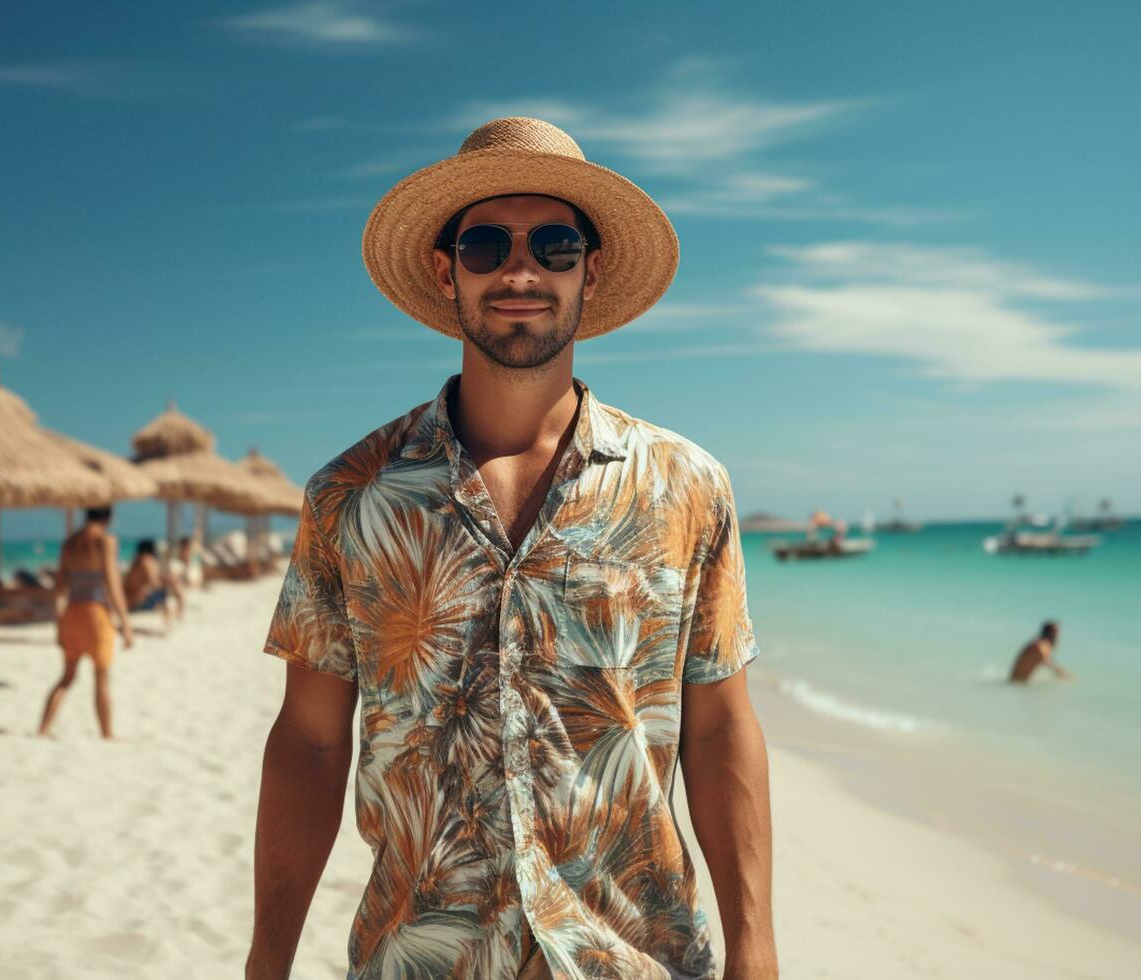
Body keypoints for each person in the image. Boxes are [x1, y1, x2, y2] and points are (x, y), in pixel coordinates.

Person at [248, 118, 777, 979]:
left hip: (634, 956)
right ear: (444, 268)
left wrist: (755, 945)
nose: (519, 271)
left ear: (590, 270)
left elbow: (718, 727)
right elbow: (308, 741)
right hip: (421, 958)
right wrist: (266, 959)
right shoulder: (350, 494)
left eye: (555, 243)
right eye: (487, 243)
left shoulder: (685, 485)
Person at [38, 505, 133, 739]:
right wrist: (125, 623)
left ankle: (43, 729)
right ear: (108, 517)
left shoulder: (70, 543)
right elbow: (112, 583)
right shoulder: (106, 541)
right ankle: (107, 733)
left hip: (71, 613)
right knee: (101, 677)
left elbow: (60, 587)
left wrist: (58, 622)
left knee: (67, 677)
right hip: (95, 615)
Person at [124, 538, 183, 628]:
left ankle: (177, 616)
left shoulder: (137, 561)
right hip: (136, 602)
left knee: (172, 590)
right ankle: (176, 618)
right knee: (172, 593)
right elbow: (154, 582)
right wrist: (168, 581)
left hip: (130, 601)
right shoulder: (146, 561)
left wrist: (165, 579)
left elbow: (152, 579)